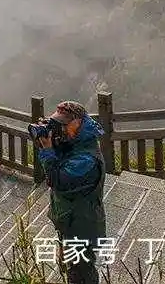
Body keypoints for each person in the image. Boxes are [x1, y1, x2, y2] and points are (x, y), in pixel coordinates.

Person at [36, 100, 107, 284]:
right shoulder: (75, 143)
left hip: (82, 226)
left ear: (79, 122)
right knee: (74, 269)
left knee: (81, 274)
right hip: (70, 219)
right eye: (58, 123)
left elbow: (56, 180)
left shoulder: (87, 160)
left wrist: (48, 152)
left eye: (64, 123)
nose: (61, 128)